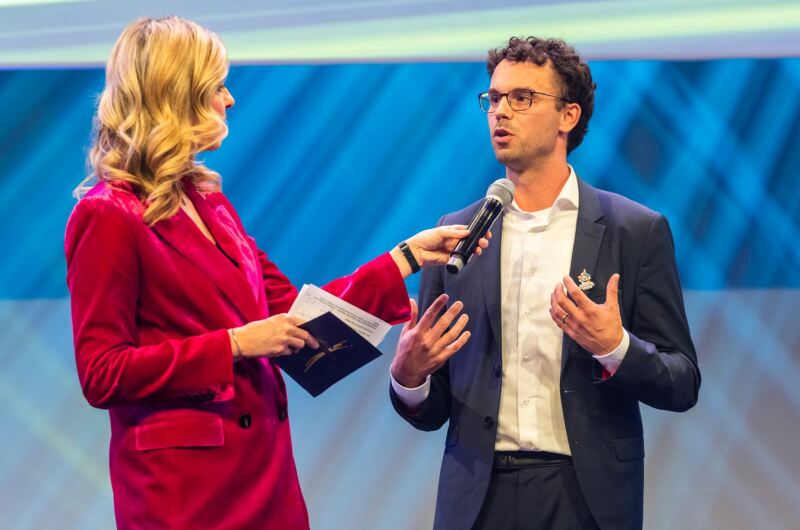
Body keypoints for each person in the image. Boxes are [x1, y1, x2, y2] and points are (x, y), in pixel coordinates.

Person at [65, 16, 487, 530]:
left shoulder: (212, 204)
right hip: (186, 497)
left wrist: (406, 256)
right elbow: (102, 372)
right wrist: (235, 345)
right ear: (179, 95)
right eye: (217, 86)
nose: (230, 100)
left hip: (265, 479)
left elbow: (298, 314)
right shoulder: (107, 214)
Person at [389, 36, 701, 530]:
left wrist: (614, 346)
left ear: (568, 116)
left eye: (522, 98)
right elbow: (433, 410)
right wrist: (409, 377)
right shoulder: (456, 234)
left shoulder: (633, 230)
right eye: (492, 99)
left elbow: (682, 382)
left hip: (587, 496)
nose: (500, 113)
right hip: (477, 497)